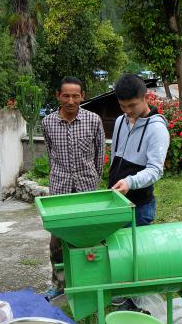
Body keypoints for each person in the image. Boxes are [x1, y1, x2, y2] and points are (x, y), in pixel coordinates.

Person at [40, 76, 105, 301]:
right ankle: (58, 283)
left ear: (82, 96)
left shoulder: (93, 120)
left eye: (75, 95)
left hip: (87, 187)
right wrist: (57, 176)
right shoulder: (48, 122)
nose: (71, 100)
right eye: (66, 95)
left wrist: (93, 179)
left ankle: (91, 282)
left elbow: (100, 155)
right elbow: (50, 153)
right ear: (58, 96)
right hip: (60, 189)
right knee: (57, 240)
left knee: (90, 237)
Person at [108, 74, 170, 308]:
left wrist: (130, 182)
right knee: (117, 252)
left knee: (136, 258)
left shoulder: (157, 129)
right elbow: (116, 156)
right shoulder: (120, 121)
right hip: (116, 200)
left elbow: (156, 170)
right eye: (123, 106)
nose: (128, 111)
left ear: (145, 97)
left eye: (132, 105)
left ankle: (136, 305)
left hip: (139, 205)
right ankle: (119, 296)